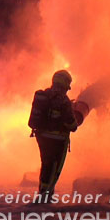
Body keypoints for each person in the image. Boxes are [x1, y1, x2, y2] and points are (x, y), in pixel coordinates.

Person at [28, 70, 78, 203]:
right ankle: (46, 195)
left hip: (42, 137)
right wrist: (73, 115)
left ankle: (44, 192)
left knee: (46, 164)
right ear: (65, 84)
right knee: (53, 168)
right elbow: (72, 125)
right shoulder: (63, 101)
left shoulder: (43, 95)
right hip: (58, 140)